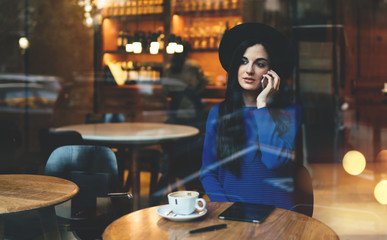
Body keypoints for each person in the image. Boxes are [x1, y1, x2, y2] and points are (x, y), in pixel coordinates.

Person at [199, 22, 303, 211]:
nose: (249, 70)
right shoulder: (219, 113)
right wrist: (227, 208)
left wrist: (262, 104)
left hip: (279, 215)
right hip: (231, 212)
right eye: (243, 61)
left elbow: (274, 162)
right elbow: (208, 173)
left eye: (260, 64)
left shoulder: (290, 112)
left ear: (272, 73)